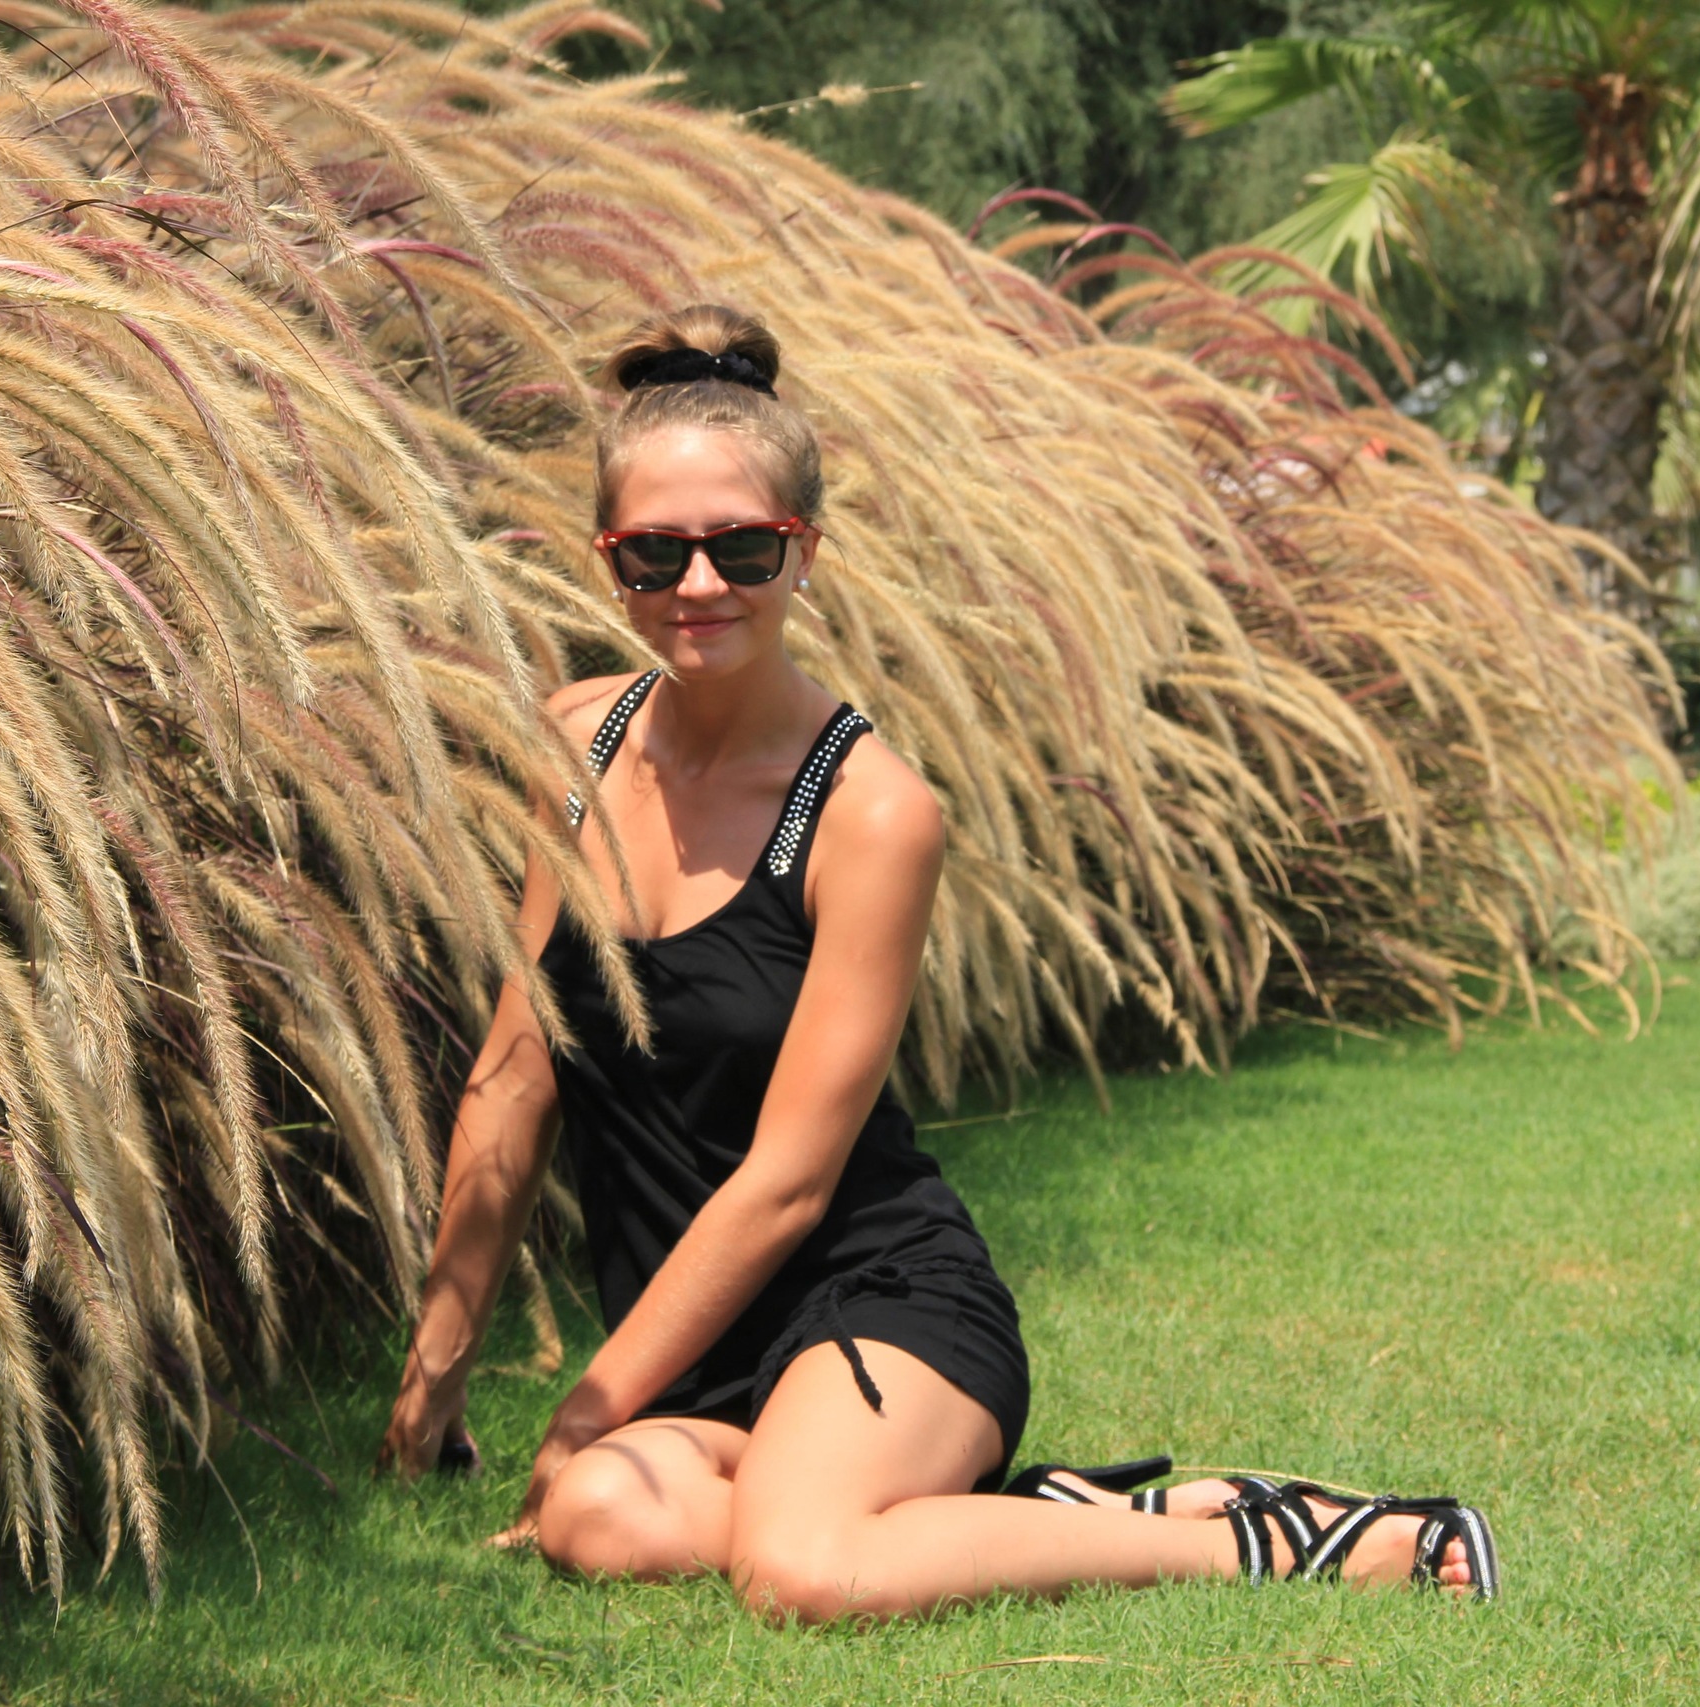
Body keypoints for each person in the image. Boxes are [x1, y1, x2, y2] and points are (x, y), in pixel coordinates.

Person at [376, 304, 1496, 1621]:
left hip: (879, 1300)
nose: (698, 585)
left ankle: (1278, 1538)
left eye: (743, 546)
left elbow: (789, 1185)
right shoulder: (572, 743)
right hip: (701, 1354)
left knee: (801, 1571)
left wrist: (587, 1407)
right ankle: (1031, 1519)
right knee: (599, 1517)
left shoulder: (871, 812)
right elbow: (517, 1075)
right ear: (606, 559)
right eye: (654, 553)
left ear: (805, 550)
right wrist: (434, 1375)